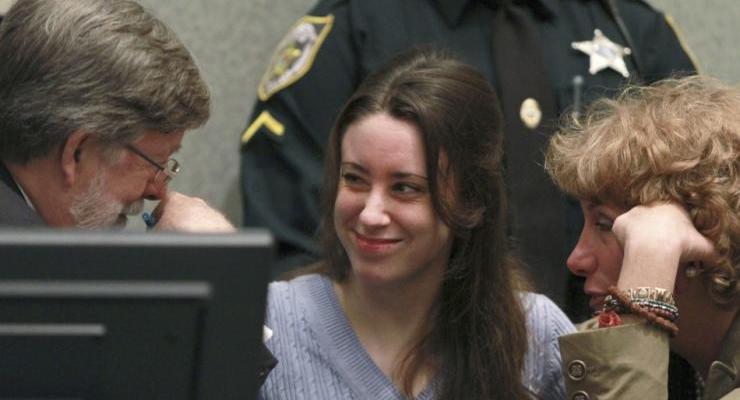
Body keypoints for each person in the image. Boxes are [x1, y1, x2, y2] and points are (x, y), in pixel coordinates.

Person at [240, 0, 697, 316]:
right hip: (416, 359)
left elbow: (702, 204)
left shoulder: (629, 27)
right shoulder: (359, 28)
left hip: (612, 354)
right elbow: (291, 249)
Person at [259, 48, 574, 400]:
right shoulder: (269, 323)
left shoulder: (535, 337)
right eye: (354, 179)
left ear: (471, 201)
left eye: (405, 188)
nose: (370, 214)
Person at [0, 0, 275, 384]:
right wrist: (220, 288)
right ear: (76, 152)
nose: (158, 190)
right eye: (156, 163)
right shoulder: (41, 292)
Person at [544, 76, 739, 399]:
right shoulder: (686, 366)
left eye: (604, 225)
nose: (576, 259)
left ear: (697, 240)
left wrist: (649, 263)